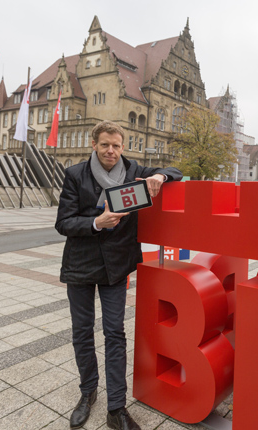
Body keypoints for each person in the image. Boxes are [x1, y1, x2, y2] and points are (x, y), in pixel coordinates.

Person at [56, 120, 182, 430]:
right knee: (82, 332)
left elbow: (175, 171)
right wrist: (97, 223)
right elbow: (63, 222)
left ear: (123, 146)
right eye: (105, 145)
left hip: (116, 266)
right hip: (81, 265)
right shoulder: (75, 175)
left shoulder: (134, 169)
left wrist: (159, 176)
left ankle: (116, 408)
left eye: (116, 145)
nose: (111, 150)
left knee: (115, 333)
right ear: (94, 145)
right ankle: (88, 393)